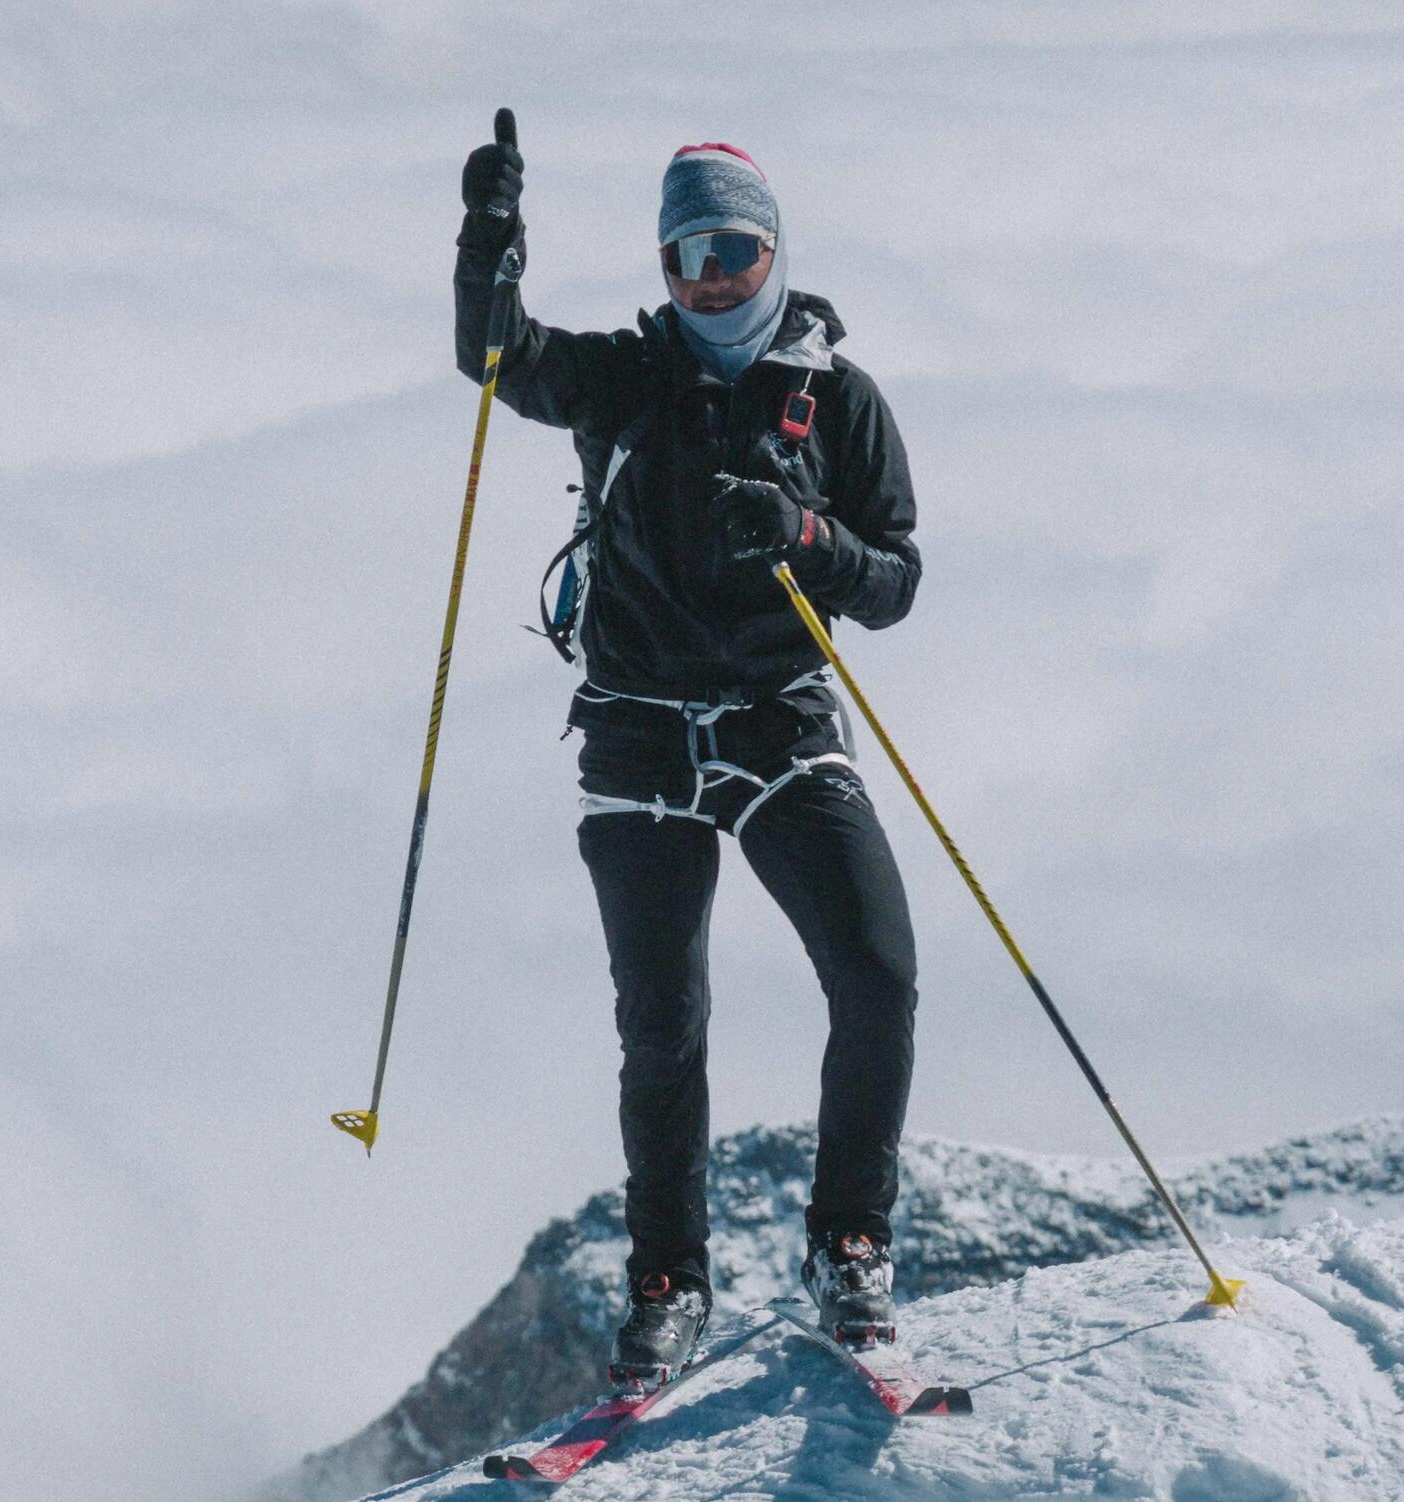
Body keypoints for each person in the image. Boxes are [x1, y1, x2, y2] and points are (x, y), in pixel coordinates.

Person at [450, 136, 924, 1382]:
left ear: (775, 251)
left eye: (732, 251)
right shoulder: (624, 379)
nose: (709, 277)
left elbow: (895, 584)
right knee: (662, 1028)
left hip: (777, 726)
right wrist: (484, 253)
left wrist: (804, 530)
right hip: (640, 730)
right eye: (686, 256)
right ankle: (669, 1283)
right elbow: (496, 357)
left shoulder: (842, 399)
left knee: (876, 976)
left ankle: (851, 1245)